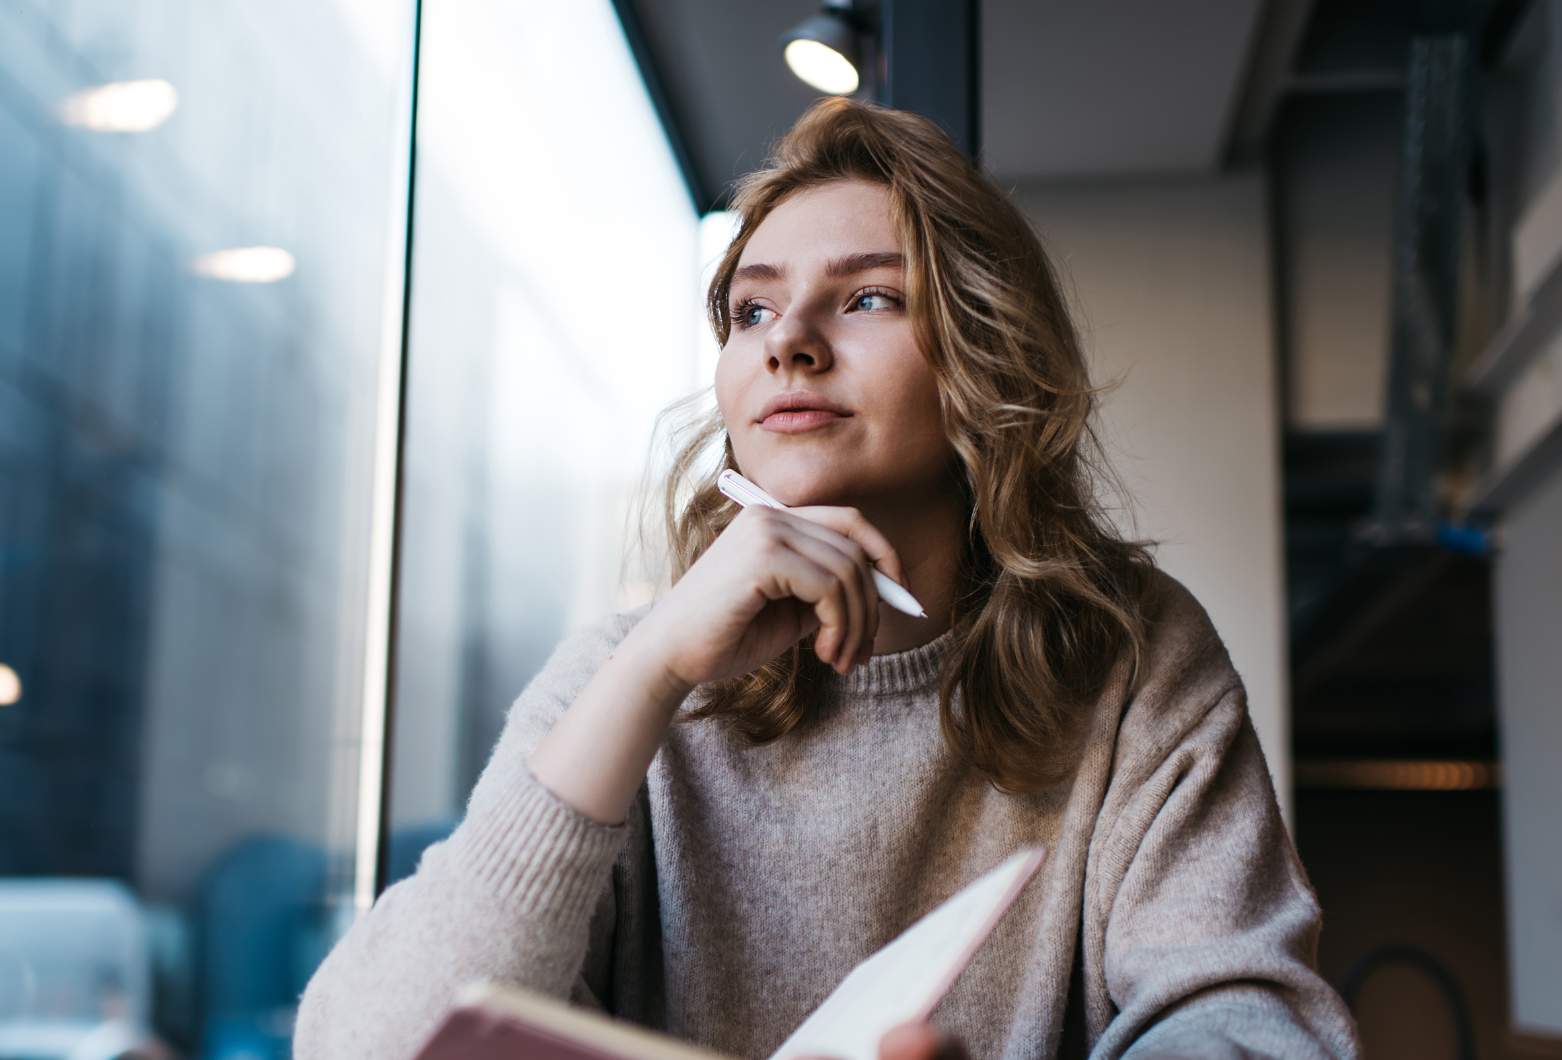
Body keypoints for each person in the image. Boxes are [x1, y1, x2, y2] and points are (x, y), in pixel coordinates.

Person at [296, 98, 1359, 1060]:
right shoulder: (620, 677)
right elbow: (367, 1046)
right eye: (752, 312)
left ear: (981, 354)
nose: (788, 344)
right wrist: (651, 669)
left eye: (865, 300)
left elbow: (1247, 1023)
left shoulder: (1131, 657)